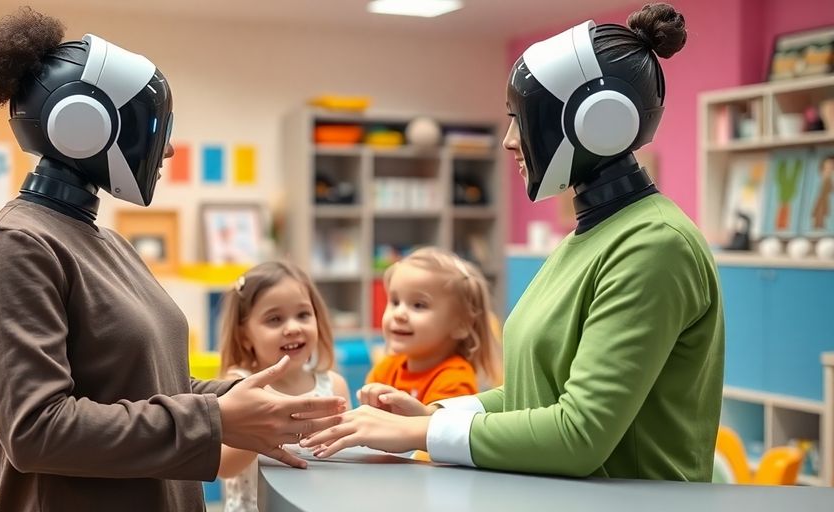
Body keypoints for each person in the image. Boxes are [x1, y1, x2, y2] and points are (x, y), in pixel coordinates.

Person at [304, 3, 725, 482]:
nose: (508, 141)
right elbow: (535, 393)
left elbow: (579, 435)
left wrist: (421, 435)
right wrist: (430, 414)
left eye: (521, 120)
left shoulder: (655, 247)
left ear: (595, 122)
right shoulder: (589, 238)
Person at [0, 8, 344, 511]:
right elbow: (36, 430)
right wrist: (217, 420)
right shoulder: (17, 247)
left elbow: (156, 383)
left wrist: (249, 398)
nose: (170, 149)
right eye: (155, 126)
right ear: (83, 125)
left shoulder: (107, 243)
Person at [215, 261, 351, 512]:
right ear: (245, 336)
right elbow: (224, 467)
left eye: (303, 315)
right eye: (274, 319)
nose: (293, 328)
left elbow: (346, 459)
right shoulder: (239, 385)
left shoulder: (334, 385)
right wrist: (263, 429)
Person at [362, 247, 502, 408]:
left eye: (418, 305)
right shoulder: (386, 367)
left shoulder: (454, 380)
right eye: (395, 302)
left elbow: (433, 430)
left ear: (461, 325)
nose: (399, 314)